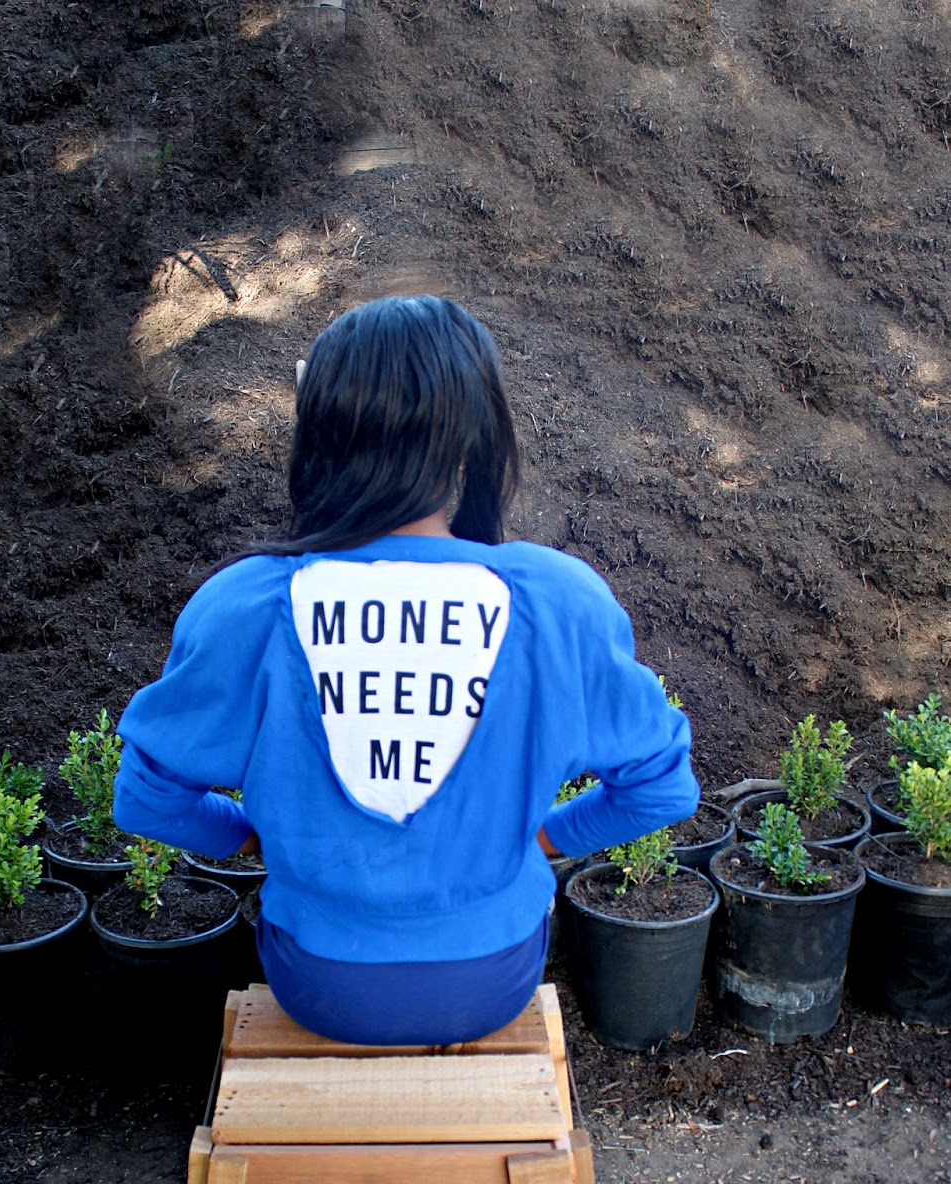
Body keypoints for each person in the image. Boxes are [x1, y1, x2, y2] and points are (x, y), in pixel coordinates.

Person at [113, 295, 699, 1044]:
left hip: (317, 984)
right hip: (493, 979)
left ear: (318, 430)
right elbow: (660, 790)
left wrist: (256, 840)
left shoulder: (244, 605)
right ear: (472, 434)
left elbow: (146, 801)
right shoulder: (560, 600)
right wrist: (540, 841)